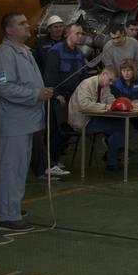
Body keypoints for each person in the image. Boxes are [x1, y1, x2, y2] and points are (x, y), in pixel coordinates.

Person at [0, 12, 54, 232]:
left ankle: (7, 207)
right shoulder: (3, 55)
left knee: (19, 167)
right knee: (11, 168)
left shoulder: (25, 51)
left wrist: (40, 92)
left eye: (26, 22)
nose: (27, 25)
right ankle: (8, 216)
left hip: (26, 121)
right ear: (9, 30)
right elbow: (3, 87)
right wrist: (35, 94)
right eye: (22, 23)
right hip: (13, 122)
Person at [39, 21, 86, 179]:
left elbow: (82, 76)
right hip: (58, 98)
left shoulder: (79, 54)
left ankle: (54, 159)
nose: (80, 36)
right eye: (77, 33)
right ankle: (49, 163)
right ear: (67, 34)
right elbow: (50, 75)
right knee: (55, 130)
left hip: (72, 98)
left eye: (82, 33)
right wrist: (56, 94)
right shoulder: (55, 51)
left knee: (67, 130)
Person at [69, 66, 123, 171]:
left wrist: (119, 105)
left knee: (124, 126)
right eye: (110, 80)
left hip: (94, 118)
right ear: (103, 74)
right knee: (118, 129)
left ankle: (111, 156)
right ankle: (111, 162)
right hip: (82, 121)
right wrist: (105, 107)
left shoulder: (105, 86)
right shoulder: (87, 84)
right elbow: (84, 105)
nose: (111, 83)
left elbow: (110, 100)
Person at [111, 60, 138, 167]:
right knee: (123, 130)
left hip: (135, 114)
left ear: (133, 71)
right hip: (120, 115)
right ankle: (115, 156)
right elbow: (116, 100)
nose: (126, 73)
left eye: (128, 70)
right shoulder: (116, 83)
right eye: (123, 71)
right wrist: (131, 103)